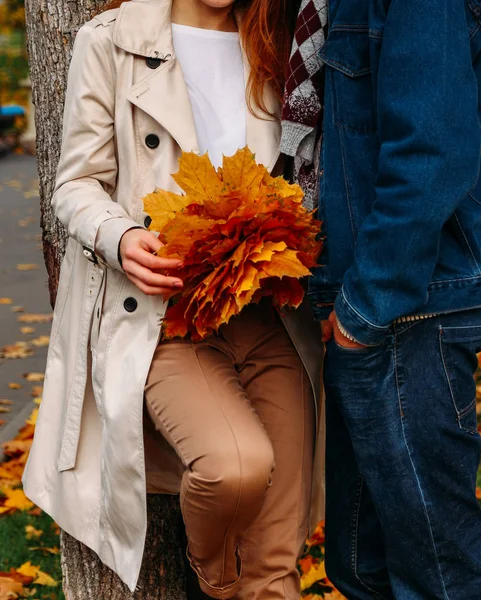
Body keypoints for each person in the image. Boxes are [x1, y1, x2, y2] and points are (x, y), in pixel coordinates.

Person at [22, 0, 325, 598]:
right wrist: (122, 235)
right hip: (164, 318)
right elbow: (77, 181)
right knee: (233, 465)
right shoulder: (112, 40)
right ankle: (216, 578)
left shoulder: (273, 42)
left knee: (279, 559)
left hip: (268, 312)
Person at [312, 0, 481, 598]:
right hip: (366, 304)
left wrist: (361, 314)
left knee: (437, 578)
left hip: (409, 309)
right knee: (360, 566)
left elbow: (430, 153)